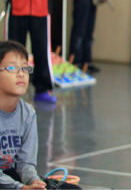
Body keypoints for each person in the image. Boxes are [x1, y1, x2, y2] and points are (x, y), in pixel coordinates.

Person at [0, 41, 82, 190]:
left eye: (25, 68)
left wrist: (32, 181)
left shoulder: (27, 113)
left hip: (11, 178)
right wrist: (20, 188)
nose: (21, 74)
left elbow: (25, 163)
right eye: (12, 68)